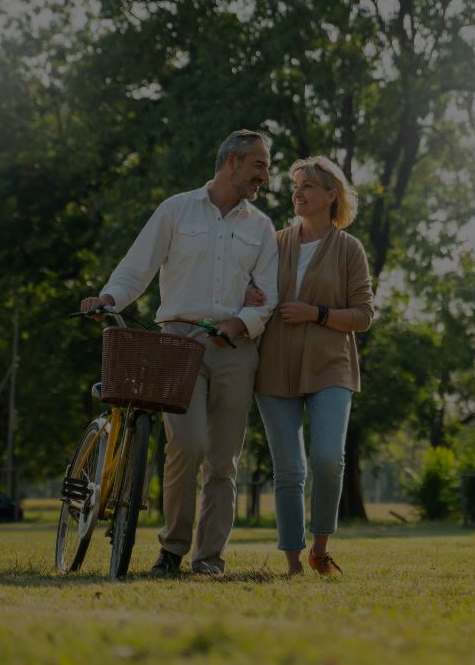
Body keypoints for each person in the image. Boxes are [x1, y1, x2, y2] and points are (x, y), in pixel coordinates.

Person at [79, 129, 280, 576]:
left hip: (236, 349)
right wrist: (108, 298)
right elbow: (137, 268)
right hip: (179, 345)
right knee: (187, 445)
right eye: (259, 165)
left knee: (223, 461)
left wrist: (239, 323)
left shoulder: (261, 227)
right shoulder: (176, 209)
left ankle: (208, 559)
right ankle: (171, 551)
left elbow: (268, 297)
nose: (265, 175)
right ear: (231, 162)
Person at [250, 155, 374, 576]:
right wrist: (247, 295)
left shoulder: (349, 249)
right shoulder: (274, 241)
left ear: (330, 195)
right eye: (295, 185)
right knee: (289, 468)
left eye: (306, 186)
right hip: (274, 366)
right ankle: (292, 563)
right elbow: (249, 287)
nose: (297, 193)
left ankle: (321, 548)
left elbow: (363, 316)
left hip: (330, 368)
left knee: (327, 458)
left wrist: (316, 314)